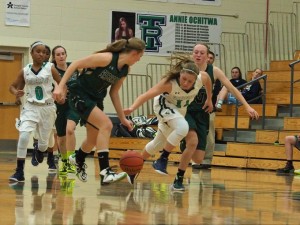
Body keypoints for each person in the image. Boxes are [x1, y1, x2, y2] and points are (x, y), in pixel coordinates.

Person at [53, 37, 146, 184]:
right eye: (140, 56)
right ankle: (105, 172)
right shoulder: (107, 58)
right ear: (134, 53)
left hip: (96, 99)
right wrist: (60, 86)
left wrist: (122, 118)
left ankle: (77, 158)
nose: (140, 59)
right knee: (106, 125)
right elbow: (76, 64)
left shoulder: (125, 70)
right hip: (80, 94)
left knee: (92, 140)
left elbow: (114, 93)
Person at [174, 43, 259, 191]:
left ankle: (186, 145)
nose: (198, 55)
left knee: (198, 158)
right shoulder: (185, 69)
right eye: (196, 52)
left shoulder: (214, 71)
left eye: (202, 53)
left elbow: (231, 88)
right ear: (192, 54)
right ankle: (179, 174)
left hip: (203, 113)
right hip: (186, 111)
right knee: (191, 140)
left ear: (208, 57)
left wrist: (247, 106)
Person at [124, 56, 213, 184]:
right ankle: (162, 159)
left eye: (190, 81)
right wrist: (132, 108)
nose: (186, 83)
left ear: (195, 80)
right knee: (183, 127)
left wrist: (209, 99)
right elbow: (146, 95)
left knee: (158, 144)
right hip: (163, 106)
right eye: (184, 79)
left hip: (179, 110)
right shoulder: (169, 83)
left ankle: (134, 168)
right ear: (180, 73)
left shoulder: (201, 78)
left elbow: (208, 80)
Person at [9, 41, 64, 183]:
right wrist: (17, 92)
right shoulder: (25, 70)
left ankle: (39, 150)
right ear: (31, 53)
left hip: (48, 107)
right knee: (24, 136)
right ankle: (19, 171)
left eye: (43, 52)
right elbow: (12, 86)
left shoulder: (50, 67)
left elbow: (62, 83)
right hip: (31, 106)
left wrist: (62, 94)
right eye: (37, 51)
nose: (41, 54)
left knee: (44, 144)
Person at [51, 45, 81, 176]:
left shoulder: (74, 67)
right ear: (54, 57)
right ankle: (63, 161)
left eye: (63, 53)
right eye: (58, 54)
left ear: (66, 55)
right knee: (61, 137)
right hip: (59, 106)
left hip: (74, 104)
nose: (61, 56)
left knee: (70, 129)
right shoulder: (52, 70)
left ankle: (71, 160)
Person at [191, 50, 222, 170]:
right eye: (207, 57)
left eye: (211, 58)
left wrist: (217, 102)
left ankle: (207, 159)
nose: (208, 59)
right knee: (191, 133)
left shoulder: (214, 72)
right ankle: (194, 160)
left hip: (208, 108)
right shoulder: (192, 70)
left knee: (209, 133)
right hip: (192, 109)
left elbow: (221, 90)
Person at [30, 44, 58, 173]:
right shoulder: (31, 69)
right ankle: (36, 148)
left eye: (47, 53)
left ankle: (50, 158)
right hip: (35, 105)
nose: (44, 55)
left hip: (50, 104)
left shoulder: (51, 69)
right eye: (42, 53)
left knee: (51, 133)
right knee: (36, 130)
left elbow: (61, 84)